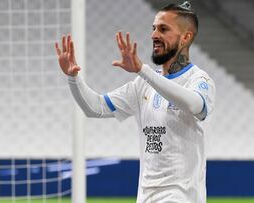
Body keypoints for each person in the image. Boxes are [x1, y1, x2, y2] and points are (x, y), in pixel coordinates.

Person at [55, 1, 215, 203]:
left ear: (186, 37)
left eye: (163, 29)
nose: (154, 35)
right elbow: (95, 107)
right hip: (146, 197)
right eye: (154, 28)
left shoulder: (200, 81)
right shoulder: (142, 85)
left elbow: (194, 105)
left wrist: (143, 70)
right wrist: (73, 78)